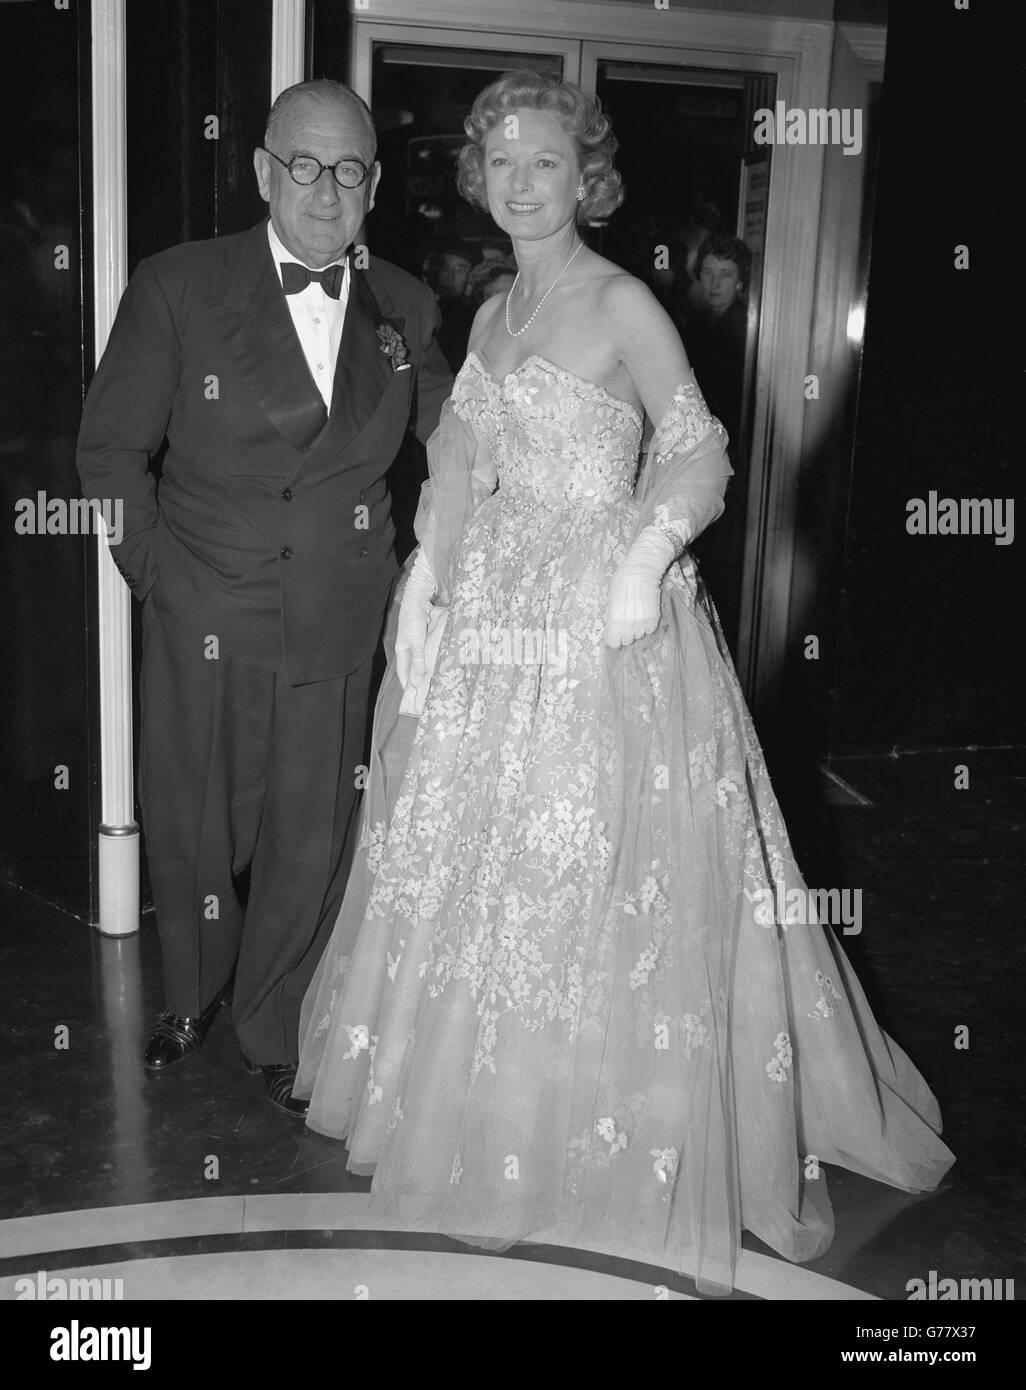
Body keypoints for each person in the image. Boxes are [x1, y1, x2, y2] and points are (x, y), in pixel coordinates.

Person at [294, 71, 954, 1293]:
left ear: (585, 176)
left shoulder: (624, 302)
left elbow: (699, 446)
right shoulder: (493, 315)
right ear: (479, 179)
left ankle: (608, 1125)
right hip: (500, 627)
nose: (523, 183)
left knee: (599, 872)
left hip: (605, 632)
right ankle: (498, 1109)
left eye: (546, 162)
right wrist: (430, 576)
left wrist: (646, 555)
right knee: (488, 870)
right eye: (502, 163)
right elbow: (459, 460)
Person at [75, 80, 452, 1116]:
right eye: (303, 165)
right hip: (202, 605)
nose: (324, 192)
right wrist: (157, 573)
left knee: (308, 832)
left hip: (337, 614)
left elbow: (463, 449)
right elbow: (110, 447)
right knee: (196, 821)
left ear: (373, 185)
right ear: (261, 171)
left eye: (347, 171)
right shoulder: (179, 285)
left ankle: (273, 1021)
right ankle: (194, 993)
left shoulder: (408, 308)